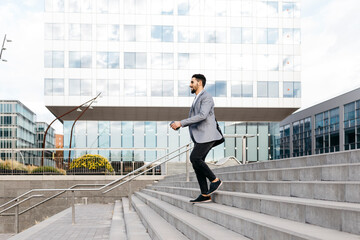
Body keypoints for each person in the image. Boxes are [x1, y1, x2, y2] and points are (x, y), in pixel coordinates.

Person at [171, 74, 224, 203]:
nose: (190, 84)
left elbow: (202, 115)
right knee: (196, 163)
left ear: (199, 83)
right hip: (201, 137)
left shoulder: (206, 97)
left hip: (208, 135)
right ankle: (205, 194)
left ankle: (215, 180)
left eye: (192, 82)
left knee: (195, 158)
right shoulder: (197, 98)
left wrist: (181, 123)